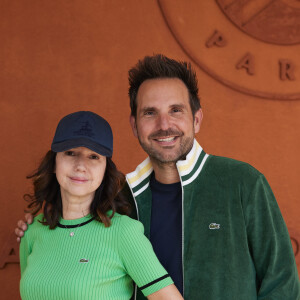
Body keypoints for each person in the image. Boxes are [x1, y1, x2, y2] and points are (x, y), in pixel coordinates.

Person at [16, 55, 300, 300]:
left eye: (176, 111)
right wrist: (34, 223)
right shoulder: (120, 197)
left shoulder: (242, 183)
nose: (164, 125)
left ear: (197, 119)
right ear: (135, 125)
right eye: (150, 113)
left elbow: (282, 283)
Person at [18, 111, 183, 300]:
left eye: (94, 156)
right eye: (70, 153)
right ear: (54, 163)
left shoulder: (124, 233)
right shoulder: (31, 231)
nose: (81, 165)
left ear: (105, 169)